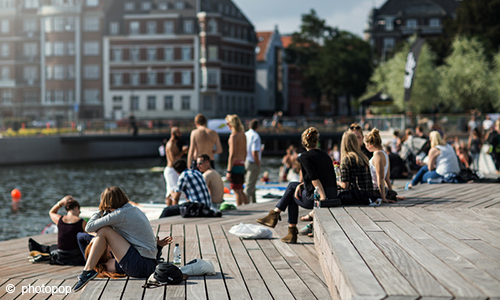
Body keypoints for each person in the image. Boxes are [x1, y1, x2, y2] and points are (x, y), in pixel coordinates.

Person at [256, 127, 337, 244]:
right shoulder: (325, 156)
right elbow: (324, 177)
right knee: (294, 187)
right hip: (332, 194)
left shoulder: (304, 157)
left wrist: (323, 199)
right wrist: (302, 185)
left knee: (292, 193)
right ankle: (277, 218)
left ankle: (282, 222)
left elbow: (314, 178)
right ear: (316, 141)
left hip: (318, 198)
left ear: (303, 143)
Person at [73, 187, 159, 292]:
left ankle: (87, 271)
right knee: (105, 230)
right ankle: (88, 271)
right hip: (149, 264)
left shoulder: (119, 215)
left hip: (141, 266)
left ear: (108, 205)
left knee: (104, 230)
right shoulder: (133, 209)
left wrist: (100, 211)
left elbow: (88, 227)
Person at [29, 195, 87, 265]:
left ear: (66, 210)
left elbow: (51, 212)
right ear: (76, 208)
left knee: (54, 247)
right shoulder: (82, 222)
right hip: (76, 256)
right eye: (79, 212)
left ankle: (36, 247)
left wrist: (61, 202)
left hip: (61, 255)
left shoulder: (59, 219)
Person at [337, 132, 374, 197]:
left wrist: (337, 182)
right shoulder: (363, 157)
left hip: (356, 196)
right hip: (368, 195)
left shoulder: (346, 160)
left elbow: (345, 185)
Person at [364, 129, 396, 203]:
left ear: (370, 145)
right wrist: (391, 194)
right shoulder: (385, 154)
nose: (365, 147)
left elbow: (380, 178)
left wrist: (383, 198)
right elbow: (387, 178)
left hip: (375, 190)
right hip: (379, 191)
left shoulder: (377, 155)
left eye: (365, 145)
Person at [226, 114, 248, 206]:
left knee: (236, 190)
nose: (227, 125)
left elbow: (232, 154)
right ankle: (247, 206)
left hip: (234, 164)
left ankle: (241, 208)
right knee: (240, 189)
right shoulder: (243, 135)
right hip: (242, 163)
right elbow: (245, 152)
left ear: (231, 124)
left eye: (227, 123)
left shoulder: (233, 136)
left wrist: (229, 170)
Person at [164, 127, 188, 206]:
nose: (180, 135)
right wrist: (183, 152)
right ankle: (171, 208)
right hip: (171, 170)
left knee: (173, 191)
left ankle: (171, 208)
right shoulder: (170, 144)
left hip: (174, 170)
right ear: (172, 133)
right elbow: (173, 160)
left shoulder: (174, 144)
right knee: (172, 191)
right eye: (178, 133)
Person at [244, 119, 262, 204]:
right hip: (253, 162)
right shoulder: (255, 136)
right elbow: (254, 151)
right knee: (249, 186)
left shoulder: (246, 134)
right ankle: (246, 204)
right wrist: (258, 163)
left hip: (246, 161)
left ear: (249, 126)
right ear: (257, 127)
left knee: (251, 184)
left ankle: (253, 202)